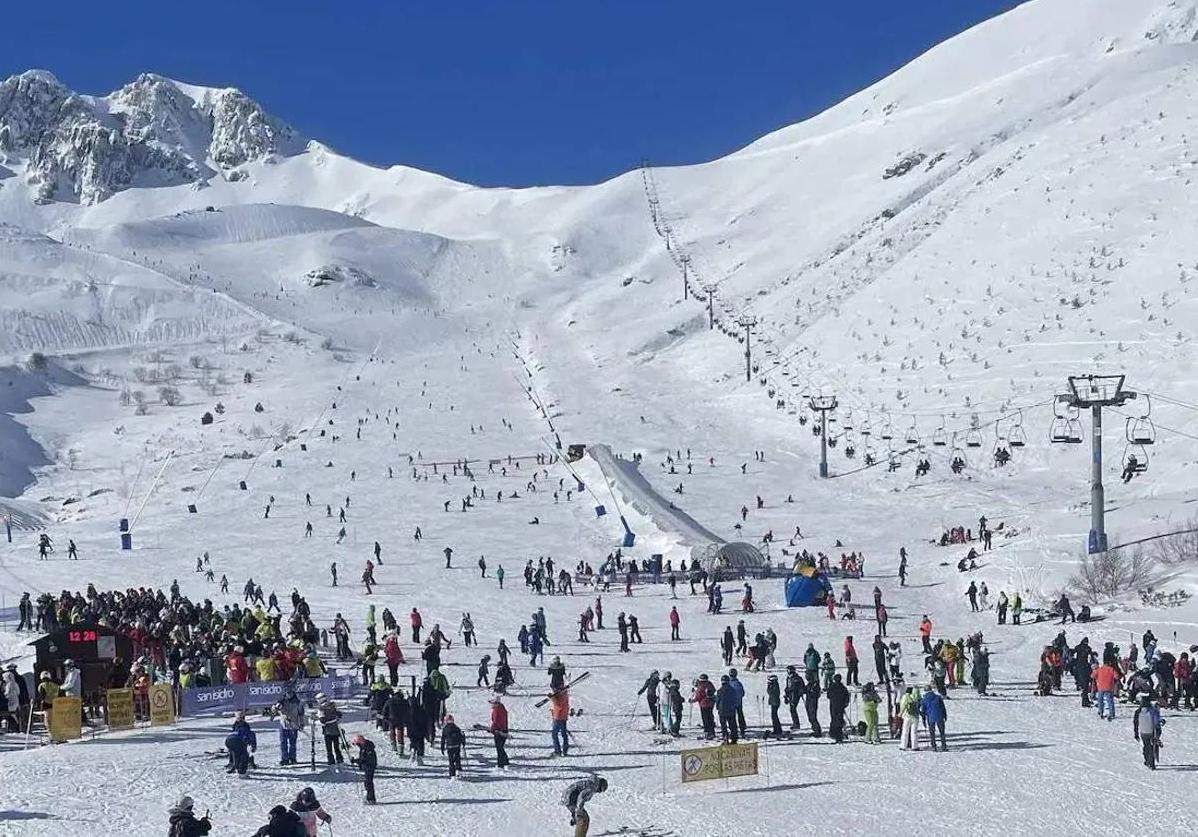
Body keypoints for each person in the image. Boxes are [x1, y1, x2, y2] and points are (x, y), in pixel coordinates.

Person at [1133, 695, 1162, 769]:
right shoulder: (1152, 711)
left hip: (1143, 732)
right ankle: (1151, 763)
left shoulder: (1138, 712)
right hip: (1152, 731)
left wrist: (1136, 734)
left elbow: (1136, 723)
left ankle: (1147, 760)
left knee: (1146, 746)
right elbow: (1156, 722)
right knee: (1152, 747)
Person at [225, 710, 257, 776]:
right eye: (239, 718)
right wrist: (253, 745)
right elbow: (251, 735)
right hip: (237, 740)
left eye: (241, 718)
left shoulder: (245, 725)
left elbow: (248, 735)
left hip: (230, 740)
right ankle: (241, 770)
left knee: (237, 753)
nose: (240, 720)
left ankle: (237, 766)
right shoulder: (236, 725)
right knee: (242, 754)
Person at [317, 694, 344, 764]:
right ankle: (339, 758)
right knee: (336, 745)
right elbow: (340, 714)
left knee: (329, 747)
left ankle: (331, 759)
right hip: (335, 728)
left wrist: (319, 721)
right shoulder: (332, 705)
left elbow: (322, 720)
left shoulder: (321, 708)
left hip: (328, 730)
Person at [921, 685, 948, 750]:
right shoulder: (938, 697)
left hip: (930, 717)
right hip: (940, 716)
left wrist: (923, 720)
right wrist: (945, 715)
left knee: (932, 733)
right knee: (942, 732)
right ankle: (943, 746)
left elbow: (923, 711)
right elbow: (943, 707)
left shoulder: (924, 699)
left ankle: (933, 746)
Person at [441, 713, 466, 777]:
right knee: (457, 758)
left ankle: (452, 774)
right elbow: (461, 736)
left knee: (451, 760)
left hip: (449, 746)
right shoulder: (456, 728)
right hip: (457, 746)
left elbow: (443, 739)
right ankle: (458, 769)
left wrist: (442, 747)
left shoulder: (445, 729)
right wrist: (463, 743)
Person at [827, 674, 850, 742]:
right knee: (838, 719)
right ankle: (835, 733)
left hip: (834, 705)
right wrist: (845, 704)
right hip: (839, 706)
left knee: (834, 719)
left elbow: (828, 695)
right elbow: (847, 698)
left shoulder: (832, 687)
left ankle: (834, 733)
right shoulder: (842, 687)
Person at [489, 695, 510, 768]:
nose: (491, 705)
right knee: (501, 747)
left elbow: (495, 721)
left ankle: (500, 764)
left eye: (493, 703)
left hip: (499, 731)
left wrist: (492, 729)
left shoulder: (496, 710)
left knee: (499, 748)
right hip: (504, 730)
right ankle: (506, 762)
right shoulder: (502, 708)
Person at [550, 687, 571, 755]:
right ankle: (565, 750)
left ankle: (558, 751)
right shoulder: (564, 695)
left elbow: (558, 705)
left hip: (558, 717)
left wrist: (552, 698)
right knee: (564, 734)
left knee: (554, 734)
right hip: (563, 717)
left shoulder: (561, 696)